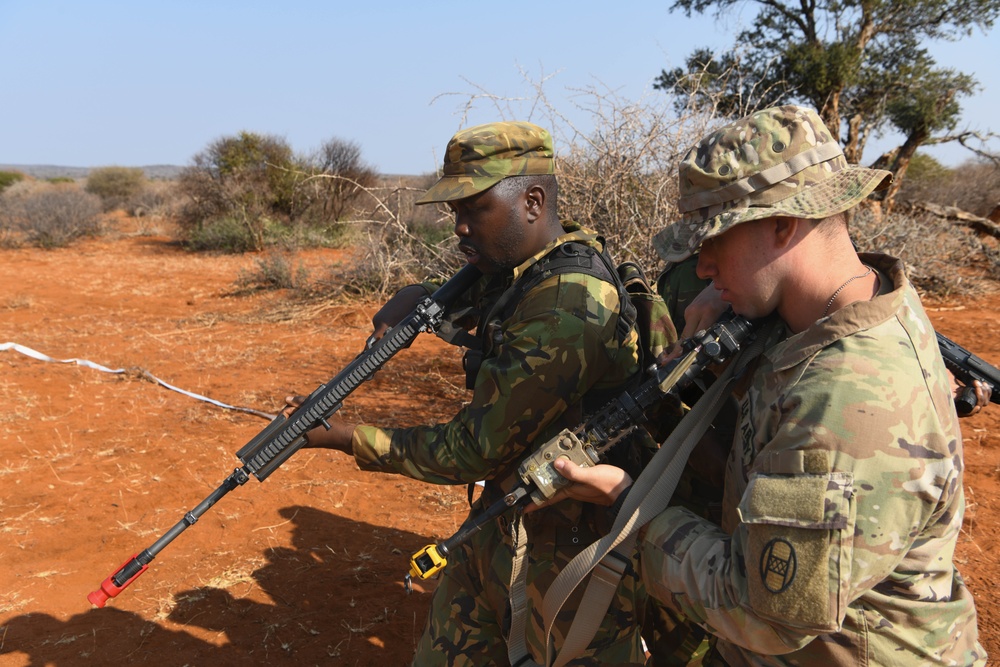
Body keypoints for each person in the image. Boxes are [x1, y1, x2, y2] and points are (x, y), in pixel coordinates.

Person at [553, 104, 987, 665]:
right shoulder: (853, 297)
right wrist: (731, 295)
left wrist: (629, 508)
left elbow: (762, 614)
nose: (702, 266)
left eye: (714, 241)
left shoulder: (845, 402)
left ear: (784, 224)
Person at [285, 121, 655, 666]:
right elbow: (477, 301)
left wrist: (343, 438)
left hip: (574, 550)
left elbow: (473, 449)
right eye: (454, 212)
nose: (459, 227)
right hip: (504, 520)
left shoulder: (568, 306)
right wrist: (415, 295)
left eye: (473, 209)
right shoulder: (525, 267)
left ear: (532, 201)